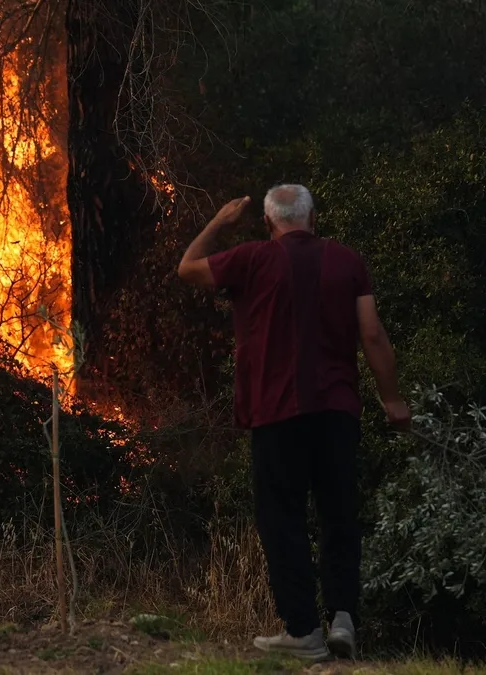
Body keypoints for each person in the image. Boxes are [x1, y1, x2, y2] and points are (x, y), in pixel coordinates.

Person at [177, 185, 411, 661]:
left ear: (268, 223)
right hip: (337, 411)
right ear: (313, 218)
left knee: (282, 518)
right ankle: (343, 617)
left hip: (276, 413)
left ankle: (304, 631)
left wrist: (219, 222)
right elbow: (372, 333)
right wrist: (392, 400)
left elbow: (188, 267)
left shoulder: (252, 258)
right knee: (339, 514)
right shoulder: (347, 261)